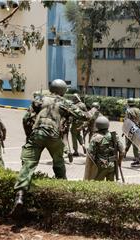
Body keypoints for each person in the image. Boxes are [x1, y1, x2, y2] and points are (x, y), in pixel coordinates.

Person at [12, 79, 88, 214]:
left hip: (37, 134)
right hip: (53, 136)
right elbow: (84, 116)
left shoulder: (39, 99)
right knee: (59, 164)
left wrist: (29, 135)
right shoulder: (64, 102)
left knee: (28, 165)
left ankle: (20, 197)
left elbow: (25, 119)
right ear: (63, 90)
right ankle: (63, 195)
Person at [87, 116, 124, 181]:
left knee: (98, 185)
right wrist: (119, 162)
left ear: (97, 125)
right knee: (110, 187)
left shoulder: (95, 137)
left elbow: (90, 154)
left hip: (101, 166)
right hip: (112, 166)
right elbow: (122, 151)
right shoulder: (114, 136)